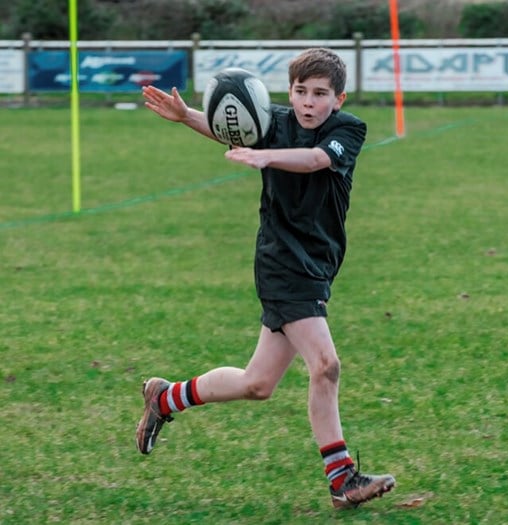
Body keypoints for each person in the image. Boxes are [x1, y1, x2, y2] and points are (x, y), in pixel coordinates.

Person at [136, 47, 395, 509]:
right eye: (300, 92)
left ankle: (166, 397)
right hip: (282, 262)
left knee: (258, 383)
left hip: (317, 263)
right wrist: (186, 115)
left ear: (339, 98)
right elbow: (231, 129)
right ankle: (343, 481)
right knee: (326, 365)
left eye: (319, 94)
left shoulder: (348, 129)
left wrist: (267, 156)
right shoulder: (272, 122)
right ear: (289, 92)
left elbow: (316, 160)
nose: (308, 103)